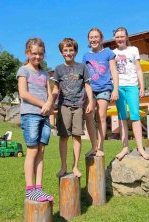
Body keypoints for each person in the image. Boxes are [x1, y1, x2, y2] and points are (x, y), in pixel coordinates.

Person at [16, 37, 54, 202]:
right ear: (27, 53)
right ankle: (30, 189)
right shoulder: (23, 70)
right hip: (30, 114)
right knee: (32, 151)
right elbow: (23, 93)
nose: (37, 57)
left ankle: (39, 188)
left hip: (44, 116)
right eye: (34, 54)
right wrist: (43, 104)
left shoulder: (45, 73)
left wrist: (49, 105)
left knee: (41, 151)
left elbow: (50, 93)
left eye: (40, 54)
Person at [51, 38, 94, 178]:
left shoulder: (82, 67)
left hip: (78, 106)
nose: (68, 53)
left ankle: (75, 166)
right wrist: (51, 101)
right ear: (61, 52)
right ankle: (63, 166)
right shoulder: (58, 69)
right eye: (65, 50)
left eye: (71, 50)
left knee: (77, 136)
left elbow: (87, 85)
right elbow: (55, 88)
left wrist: (91, 101)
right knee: (63, 137)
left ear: (75, 51)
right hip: (63, 106)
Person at [112, 27, 149, 160]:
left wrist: (142, 86)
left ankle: (140, 148)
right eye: (117, 37)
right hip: (119, 87)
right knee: (122, 117)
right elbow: (111, 71)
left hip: (132, 86)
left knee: (135, 116)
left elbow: (139, 69)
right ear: (114, 39)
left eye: (122, 36)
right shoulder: (112, 53)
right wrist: (114, 89)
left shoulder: (133, 50)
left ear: (127, 37)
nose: (120, 39)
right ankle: (125, 148)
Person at [82, 28, 119, 157]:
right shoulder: (86, 56)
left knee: (101, 116)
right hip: (90, 90)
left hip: (104, 88)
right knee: (88, 116)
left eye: (96, 37)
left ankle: (101, 146)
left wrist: (115, 89)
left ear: (101, 38)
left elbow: (114, 71)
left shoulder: (108, 53)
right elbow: (84, 75)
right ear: (88, 39)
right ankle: (93, 146)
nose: (94, 39)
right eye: (91, 37)